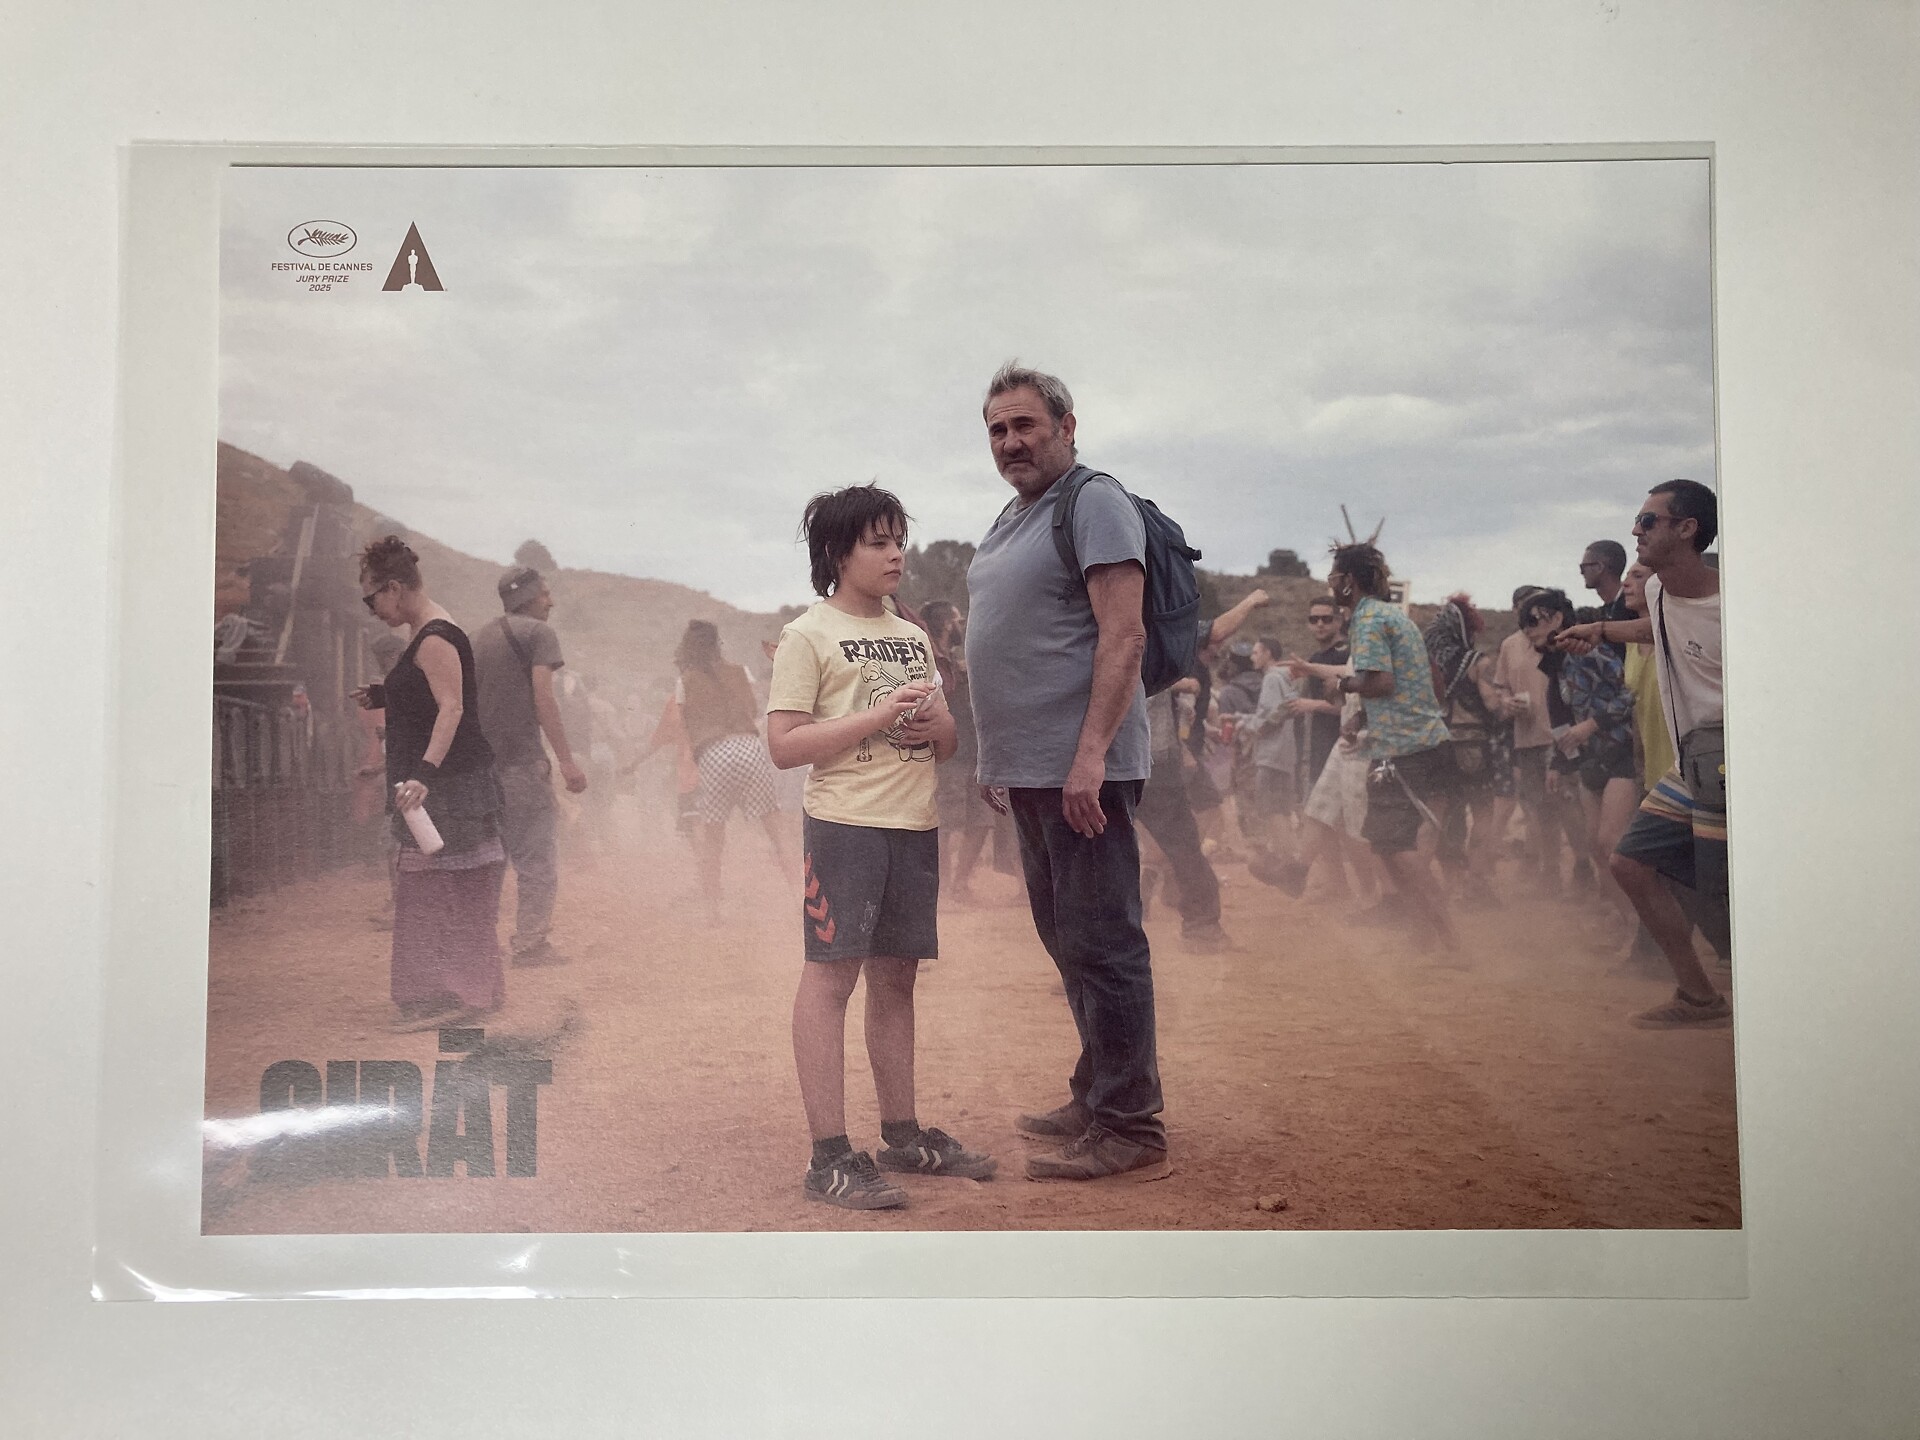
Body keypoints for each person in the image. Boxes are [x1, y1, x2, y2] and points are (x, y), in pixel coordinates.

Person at [966, 361, 1169, 1183]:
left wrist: (1090, 757)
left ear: (1067, 426)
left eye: (1025, 424)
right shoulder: (1015, 515)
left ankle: (1131, 1126)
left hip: (1085, 772)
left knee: (1104, 942)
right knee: (1068, 940)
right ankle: (1097, 1093)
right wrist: (999, 758)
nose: (1010, 441)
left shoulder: (1094, 501)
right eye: (997, 430)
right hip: (1032, 772)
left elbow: (1124, 635)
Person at [765, 484, 992, 1210]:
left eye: (900, 541)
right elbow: (783, 746)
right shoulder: (808, 635)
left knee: (897, 980)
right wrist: (874, 717)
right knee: (831, 980)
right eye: (878, 542)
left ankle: (902, 1134)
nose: (896, 555)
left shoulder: (913, 636)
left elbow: (946, 740)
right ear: (838, 553)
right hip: (844, 828)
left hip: (912, 825)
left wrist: (935, 728)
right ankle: (829, 1157)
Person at [1557, 479, 1730, 1028]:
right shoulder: (1657, 592)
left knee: (1726, 898)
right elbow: (1657, 627)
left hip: (1735, 765)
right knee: (1629, 862)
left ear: (1687, 528)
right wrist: (1600, 629)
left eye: (1648, 520)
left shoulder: (1737, 604)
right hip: (1691, 764)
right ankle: (1699, 995)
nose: (1636, 529)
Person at [352, 536, 507, 1032]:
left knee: (445, 892)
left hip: (449, 788)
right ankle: (460, 990)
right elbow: (430, 691)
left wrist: (424, 774)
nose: (372, 610)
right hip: (444, 786)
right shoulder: (425, 633)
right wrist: (385, 693)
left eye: (372, 599)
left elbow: (452, 707)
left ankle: (452, 995)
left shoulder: (435, 635)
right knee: (437, 891)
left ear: (394, 588)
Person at [1327, 541, 1460, 957]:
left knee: (1400, 851)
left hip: (1407, 751)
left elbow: (1381, 682)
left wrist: (1344, 684)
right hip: (1419, 745)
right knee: (1390, 848)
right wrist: (1361, 719)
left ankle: (1453, 943)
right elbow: (1402, 683)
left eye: (1334, 576)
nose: (1330, 583)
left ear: (1348, 581)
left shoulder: (1367, 619)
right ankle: (1425, 938)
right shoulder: (1390, 616)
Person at [470, 565, 588, 967]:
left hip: (480, 772)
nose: (551, 601)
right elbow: (544, 698)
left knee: (488, 861)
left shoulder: (478, 637)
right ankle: (530, 945)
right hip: (521, 766)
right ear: (528, 598)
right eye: (545, 594)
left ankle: (477, 947)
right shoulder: (538, 634)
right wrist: (566, 761)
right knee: (535, 859)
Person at [648, 619, 792, 919]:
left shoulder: (684, 681)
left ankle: (713, 910)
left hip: (713, 754)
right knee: (776, 830)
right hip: (748, 748)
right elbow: (752, 709)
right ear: (717, 644)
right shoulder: (741, 671)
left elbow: (686, 723)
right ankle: (800, 896)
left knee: (713, 837)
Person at [1522, 588, 1640, 943]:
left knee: (1609, 842)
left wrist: (1592, 724)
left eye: (1534, 621)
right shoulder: (1556, 663)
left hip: (1621, 752)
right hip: (1591, 760)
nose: (1528, 630)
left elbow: (1630, 694)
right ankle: (1625, 919)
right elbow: (1561, 716)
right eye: (1524, 624)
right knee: (1595, 846)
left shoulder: (1589, 651)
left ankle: (1640, 926)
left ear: (1558, 618)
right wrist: (1559, 763)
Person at [918, 599, 994, 906]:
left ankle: (958, 885)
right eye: (957, 621)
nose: (961, 626)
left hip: (973, 752)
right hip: (947, 756)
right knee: (945, 824)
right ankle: (944, 888)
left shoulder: (955, 663)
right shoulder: (930, 662)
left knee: (981, 820)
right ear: (947, 625)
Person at [1238, 636, 1310, 893]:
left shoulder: (1271, 678)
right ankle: (1291, 863)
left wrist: (1251, 727)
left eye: (1256, 652)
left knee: (1272, 811)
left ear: (1268, 653)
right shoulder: (1285, 678)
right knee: (1281, 810)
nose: (1252, 657)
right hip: (1285, 754)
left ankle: (1289, 865)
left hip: (1271, 754)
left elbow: (1272, 716)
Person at [1578, 539, 1633, 658]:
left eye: (1583, 567)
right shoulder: (1608, 611)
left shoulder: (1631, 607)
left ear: (1599, 567)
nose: (1581, 573)